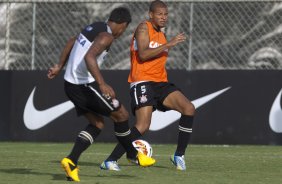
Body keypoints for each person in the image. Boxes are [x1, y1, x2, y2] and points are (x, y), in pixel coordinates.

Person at [47, 7, 155, 182]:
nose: (123, 32)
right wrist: (102, 84)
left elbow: (72, 40)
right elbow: (89, 57)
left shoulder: (95, 26)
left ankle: (71, 161)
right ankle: (134, 154)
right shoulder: (107, 36)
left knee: (97, 124)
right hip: (83, 85)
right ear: (122, 24)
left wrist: (60, 65)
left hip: (70, 83)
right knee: (121, 115)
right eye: (125, 28)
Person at [100, 0, 195, 171]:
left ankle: (179, 155)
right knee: (143, 125)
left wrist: (167, 43)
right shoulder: (144, 28)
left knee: (189, 108)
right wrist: (169, 44)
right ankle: (110, 160)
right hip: (142, 81)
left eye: (166, 14)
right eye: (159, 14)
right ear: (151, 15)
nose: (163, 17)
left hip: (161, 83)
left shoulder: (162, 34)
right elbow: (142, 55)